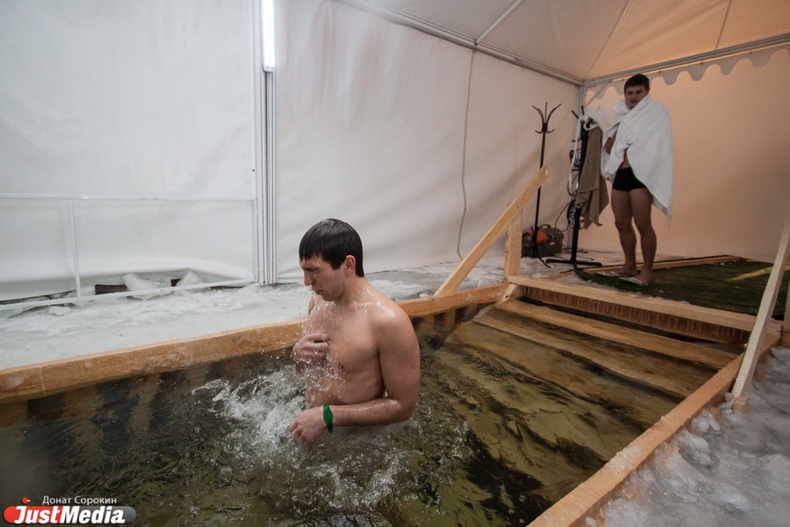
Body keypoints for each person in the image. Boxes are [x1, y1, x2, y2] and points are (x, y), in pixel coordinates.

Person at [287, 218, 421, 448]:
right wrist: (297, 354)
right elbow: (309, 371)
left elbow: (403, 406)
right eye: (304, 271)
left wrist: (328, 416)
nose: (307, 281)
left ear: (348, 265)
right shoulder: (318, 303)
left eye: (313, 271)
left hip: (357, 447)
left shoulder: (387, 321)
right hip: (311, 427)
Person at [602, 73, 674, 286]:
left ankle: (647, 272)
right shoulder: (623, 118)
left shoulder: (657, 112)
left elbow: (658, 143)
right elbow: (611, 147)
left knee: (643, 223)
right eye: (629, 93)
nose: (633, 97)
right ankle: (629, 265)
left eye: (638, 92)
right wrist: (616, 134)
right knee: (621, 222)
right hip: (621, 173)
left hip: (641, 173)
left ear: (647, 92)